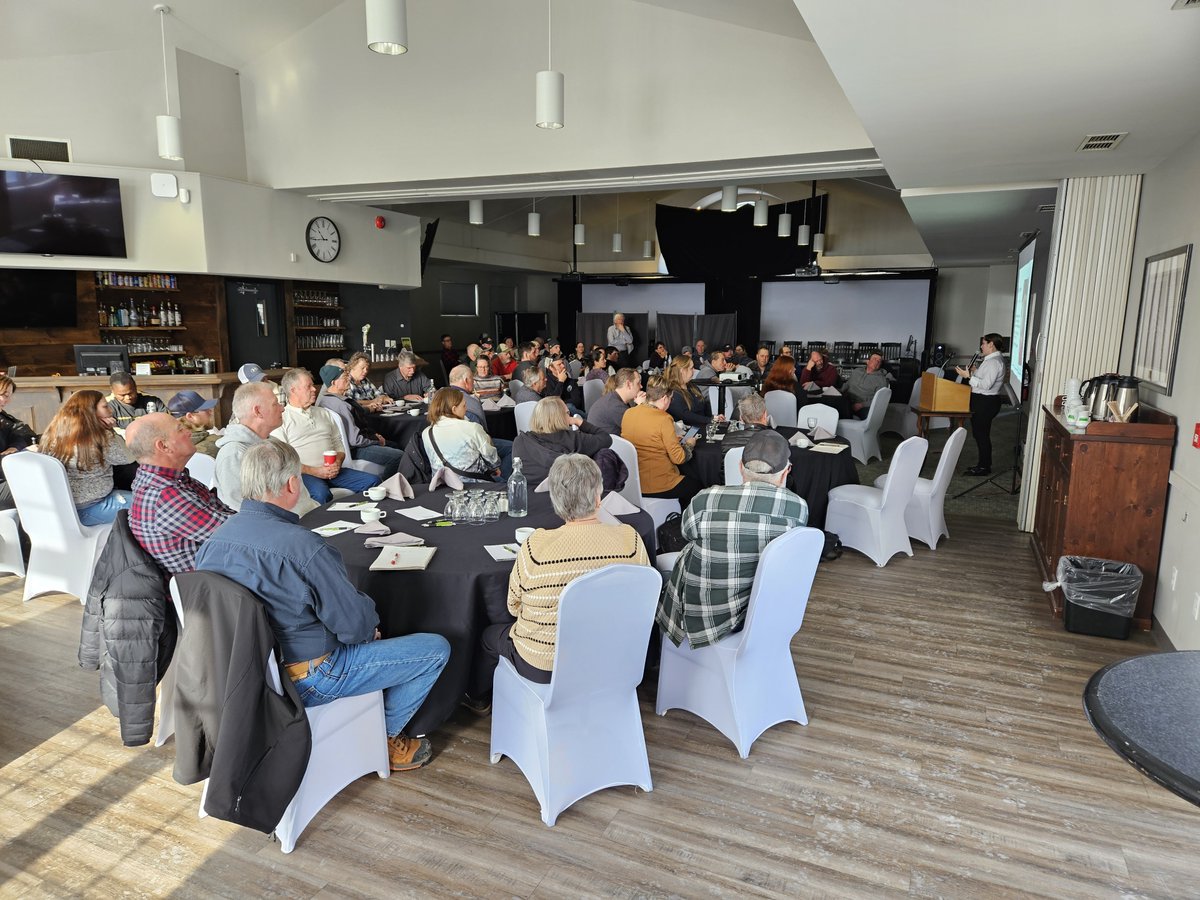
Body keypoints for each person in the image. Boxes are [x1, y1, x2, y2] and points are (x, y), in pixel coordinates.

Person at [195, 439, 450, 772]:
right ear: (291, 483)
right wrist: (368, 620)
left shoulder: (213, 541)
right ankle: (384, 739)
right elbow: (354, 627)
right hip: (311, 676)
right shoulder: (302, 546)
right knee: (435, 649)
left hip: (241, 676)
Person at [467, 454, 649, 707]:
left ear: (555, 500)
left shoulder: (536, 547)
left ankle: (477, 703)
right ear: (598, 496)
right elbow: (642, 599)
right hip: (615, 660)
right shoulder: (631, 540)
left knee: (489, 636)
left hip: (544, 666)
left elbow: (513, 607)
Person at [658, 429, 807, 649]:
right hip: (761, 615)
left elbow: (686, 534)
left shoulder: (705, 499)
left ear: (740, 467)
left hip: (702, 618)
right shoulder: (797, 508)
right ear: (786, 472)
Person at [125, 412, 233, 574]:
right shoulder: (165, 496)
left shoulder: (166, 479)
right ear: (163, 446)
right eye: (180, 429)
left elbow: (225, 515)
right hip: (211, 587)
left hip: (217, 569)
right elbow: (238, 534)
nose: (189, 432)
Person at [272, 367, 380, 504]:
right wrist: (315, 471)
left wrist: (337, 462)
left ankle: (363, 520)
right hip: (304, 474)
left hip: (333, 470)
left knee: (373, 482)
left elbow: (339, 444)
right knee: (321, 494)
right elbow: (283, 461)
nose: (314, 389)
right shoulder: (282, 419)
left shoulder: (324, 413)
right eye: (309, 386)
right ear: (293, 390)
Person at [215, 381, 318, 515]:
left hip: (307, 519)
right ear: (258, 411)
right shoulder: (234, 454)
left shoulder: (274, 443)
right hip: (282, 529)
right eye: (275, 404)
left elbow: (301, 496)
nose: (282, 408)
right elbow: (243, 511)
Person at [39, 389, 133, 525]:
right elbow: (128, 457)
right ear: (90, 410)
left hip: (63, 507)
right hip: (91, 507)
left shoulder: (55, 431)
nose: (110, 410)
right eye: (105, 406)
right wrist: (111, 430)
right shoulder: (99, 436)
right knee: (152, 506)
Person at [621, 376, 703, 508]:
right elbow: (679, 458)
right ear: (665, 398)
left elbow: (647, 439)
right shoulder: (664, 419)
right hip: (658, 484)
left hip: (634, 482)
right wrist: (689, 444)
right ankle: (681, 521)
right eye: (671, 398)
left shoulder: (628, 413)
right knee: (698, 487)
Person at [318, 365, 404, 480]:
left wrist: (370, 409)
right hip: (356, 449)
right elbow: (355, 440)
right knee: (399, 456)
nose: (349, 379)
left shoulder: (325, 401)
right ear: (334, 382)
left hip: (347, 446)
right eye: (344, 377)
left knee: (395, 445)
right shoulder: (342, 405)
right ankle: (386, 487)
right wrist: (376, 440)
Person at [512, 397, 613, 487]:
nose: (569, 416)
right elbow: (606, 438)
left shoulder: (520, 441)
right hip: (563, 498)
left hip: (526, 496)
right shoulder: (574, 439)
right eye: (568, 413)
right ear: (560, 416)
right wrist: (578, 421)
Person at [422, 387, 506, 481]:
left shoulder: (426, 433)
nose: (466, 409)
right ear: (454, 409)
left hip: (442, 485)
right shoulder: (472, 428)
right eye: (464, 406)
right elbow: (493, 461)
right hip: (475, 485)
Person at [955, 333, 1007, 476]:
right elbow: (986, 377)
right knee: (979, 434)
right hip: (983, 401)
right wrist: (975, 371)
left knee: (981, 434)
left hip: (985, 402)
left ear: (991, 345)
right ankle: (983, 464)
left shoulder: (994, 362)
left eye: (983, 343)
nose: (981, 346)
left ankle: (984, 467)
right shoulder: (991, 360)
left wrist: (969, 377)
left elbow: (986, 385)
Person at [0, 375, 35, 510]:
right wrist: (19, 454)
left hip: (5, 477)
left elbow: (21, 434)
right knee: (38, 485)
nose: (8, 401)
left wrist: (15, 448)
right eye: (4, 395)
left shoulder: (2, 417)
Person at [586, 368, 645, 436]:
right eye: (638, 383)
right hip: (608, 445)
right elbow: (641, 429)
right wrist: (642, 406)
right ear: (628, 384)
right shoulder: (616, 406)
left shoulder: (612, 398)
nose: (641, 386)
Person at [664, 355, 719, 428]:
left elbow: (704, 406)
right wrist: (711, 420)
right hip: (687, 432)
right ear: (682, 370)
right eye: (691, 368)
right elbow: (685, 415)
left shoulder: (692, 387)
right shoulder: (672, 391)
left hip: (703, 426)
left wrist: (714, 417)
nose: (694, 370)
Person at [166, 390, 221, 457]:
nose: (210, 412)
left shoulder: (167, 448)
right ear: (190, 416)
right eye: (205, 409)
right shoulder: (218, 442)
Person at [843, 352, 893, 418]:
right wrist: (839, 392)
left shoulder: (882, 380)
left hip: (863, 405)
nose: (877, 362)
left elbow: (879, 399)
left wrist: (861, 405)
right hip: (847, 401)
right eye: (874, 359)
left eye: (879, 361)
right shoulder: (856, 371)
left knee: (870, 415)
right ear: (867, 361)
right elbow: (847, 384)